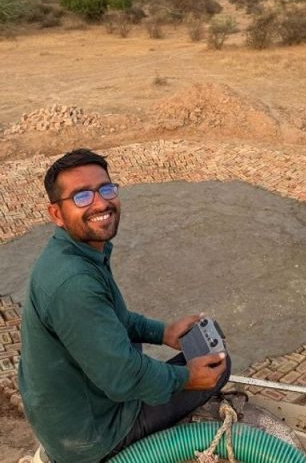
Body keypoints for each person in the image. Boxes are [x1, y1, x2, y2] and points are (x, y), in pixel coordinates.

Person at [17, 149, 230, 463]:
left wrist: (164, 333)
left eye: (105, 189)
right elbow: (123, 379)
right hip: (93, 433)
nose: (101, 203)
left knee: (202, 349)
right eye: (81, 197)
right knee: (222, 367)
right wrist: (188, 379)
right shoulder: (74, 283)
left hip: (73, 408)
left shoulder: (77, 253)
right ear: (56, 214)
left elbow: (112, 319)